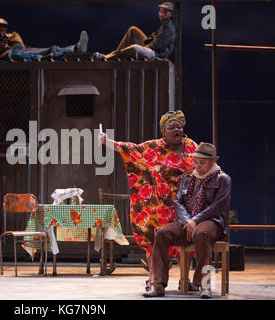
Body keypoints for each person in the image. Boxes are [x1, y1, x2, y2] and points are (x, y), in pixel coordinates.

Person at [99, 110, 197, 282]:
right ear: (163, 132)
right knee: (153, 240)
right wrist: (108, 142)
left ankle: (185, 280)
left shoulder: (191, 146)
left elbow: (205, 165)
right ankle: (154, 278)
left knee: (185, 242)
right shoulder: (154, 147)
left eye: (179, 126)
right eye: (171, 127)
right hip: (159, 207)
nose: (176, 130)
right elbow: (131, 149)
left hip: (184, 206)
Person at [143, 142, 231, 299]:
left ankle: (205, 285)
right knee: (162, 233)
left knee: (201, 233)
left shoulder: (223, 179)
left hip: (211, 222)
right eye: (196, 162)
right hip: (187, 221)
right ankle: (158, 284)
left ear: (213, 161)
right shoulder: (188, 178)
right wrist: (187, 220)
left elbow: (217, 207)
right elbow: (178, 202)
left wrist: (195, 221)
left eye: (202, 163)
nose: (197, 166)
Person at [0, 18, 88, 61]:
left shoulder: (12, 36)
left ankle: (75, 48)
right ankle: (40, 58)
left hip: (24, 52)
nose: (1, 33)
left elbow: (19, 46)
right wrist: (4, 55)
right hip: (11, 58)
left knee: (51, 49)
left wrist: (5, 52)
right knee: (11, 54)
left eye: (3, 30)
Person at [102, 2, 175, 60]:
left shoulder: (169, 27)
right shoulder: (164, 25)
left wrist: (143, 47)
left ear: (171, 14)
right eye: (160, 12)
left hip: (156, 53)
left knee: (135, 48)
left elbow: (157, 45)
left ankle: (108, 57)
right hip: (151, 47)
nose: (162, 14)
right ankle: (116, 54)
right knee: (133, 30)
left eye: (165, 13)